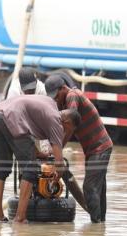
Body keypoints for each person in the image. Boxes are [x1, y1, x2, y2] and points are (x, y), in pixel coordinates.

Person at [0, 95, 81, 223]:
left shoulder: (50, 105)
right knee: (31, 170)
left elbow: (28, 133)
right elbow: (59, 161)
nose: (64, 132)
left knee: (2, 167)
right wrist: (58, 173)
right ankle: (20, 218)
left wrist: (38, 153)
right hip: (13, 117)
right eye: (68, 130)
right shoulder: (56, 120)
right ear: (67, 122)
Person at [45, 75, 113, 223]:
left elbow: (69, 125)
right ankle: (100, 228)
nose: (55, 100)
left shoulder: (72, 96)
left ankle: (96, 226)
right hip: (94, 149)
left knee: (89, 188)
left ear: (63, 88)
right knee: (98, 190)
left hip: (99, 148)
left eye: (56, 96)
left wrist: (57, 149)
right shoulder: (65, 99)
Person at [0, 67, 46, 209]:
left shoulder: (41, 90)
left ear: (36, 82)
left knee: (29, 164)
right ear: (21, 86)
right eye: (26, 90)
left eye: (32, 89)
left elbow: (43, 120)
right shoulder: (14, 90)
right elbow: (13, 119)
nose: (29, 93)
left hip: (29, 125)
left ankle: (26, 201)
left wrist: (43, 149)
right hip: (9, 123)